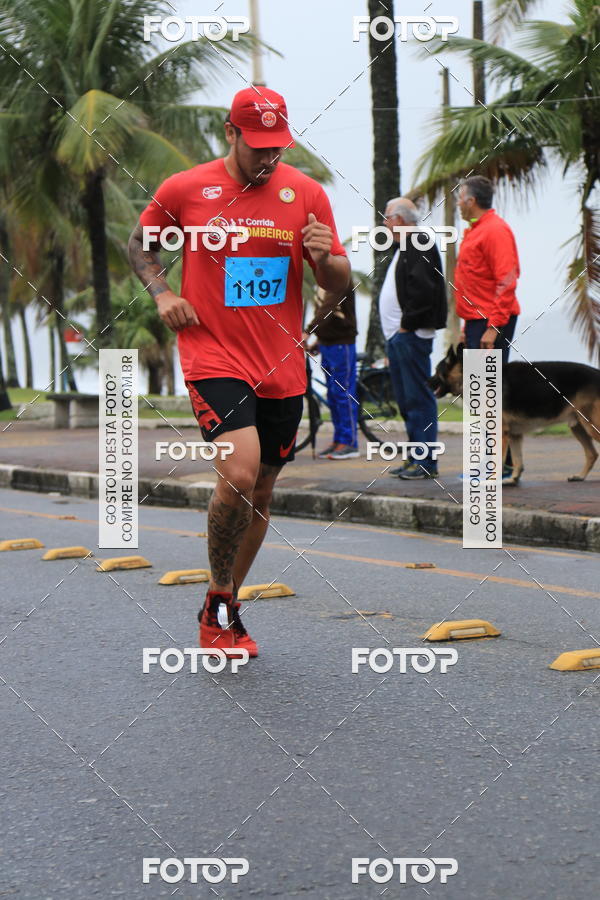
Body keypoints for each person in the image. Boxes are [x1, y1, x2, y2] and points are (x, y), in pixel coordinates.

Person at [128, 87, 350, 657]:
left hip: (281, 362)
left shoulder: (306, 194)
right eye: (257, 147)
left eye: (277, 148)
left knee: (263, 490)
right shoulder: (186, 189)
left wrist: (326, 259)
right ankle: (221, 601)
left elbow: (337, 286)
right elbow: (140, 245)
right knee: (241, 471)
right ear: (230, 133)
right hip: (213, 354)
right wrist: (162, 294)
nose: (268, 158)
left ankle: (221, 602)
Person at [455, 175, 521, 476]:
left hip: (491, 320)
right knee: (480, 394)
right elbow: (472, 284)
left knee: (488, 394)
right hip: (476, 321)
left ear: (471, 201)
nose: (457, 203)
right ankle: (499, 463)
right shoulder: (474, 231)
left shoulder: (495, 230)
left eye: (460, 198)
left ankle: (496, 465)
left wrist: (493, 327)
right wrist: (465, 326)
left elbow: (507, 280)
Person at [378, 197, 447, 479]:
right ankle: (415, 457)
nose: (385, 223)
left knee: (418, 398)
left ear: (399, 219)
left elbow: (423, 290)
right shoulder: (405, 246)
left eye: (387, 217)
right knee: (407, 400)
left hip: (411, 336)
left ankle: (426, 461)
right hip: (400, 337)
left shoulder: (418, 242)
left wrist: (407, 325)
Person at [304, 285, 359, 459]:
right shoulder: (321, 283)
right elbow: (325, 314)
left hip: (342, 343)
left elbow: (329, 309)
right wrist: (319, 340)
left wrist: (308, 331)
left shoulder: (339, 278)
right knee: (333, 395)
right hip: (328, 344)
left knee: (343, 393)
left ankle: (350, 442)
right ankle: (339, 439)